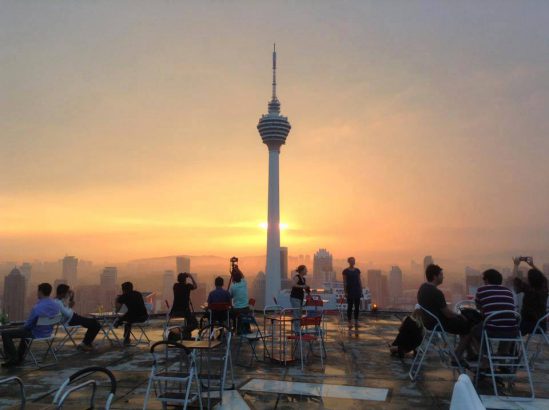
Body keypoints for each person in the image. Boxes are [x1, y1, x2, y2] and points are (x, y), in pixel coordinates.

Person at [417, 264, 472, 361]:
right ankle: (457, 357)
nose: (443, 277)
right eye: (441, 275)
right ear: (435, 276)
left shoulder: (423, 288)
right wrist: (459, 315)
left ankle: (471, 353)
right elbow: (447, 313)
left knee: (462, 325)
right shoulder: (436, 293)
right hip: (438, 324)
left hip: (428, 323)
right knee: (468, 328)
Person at [1, 283, 60, 367]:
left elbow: (28, 325)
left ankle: (13, 359)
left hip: (35, 334)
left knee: (5, 333)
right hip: (48, 333)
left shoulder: (37, 307)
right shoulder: (55, 305)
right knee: (24, 332)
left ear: (40, 292)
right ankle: (19, 357)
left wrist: (21, 327)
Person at [472, 269, 518, 357]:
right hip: (512, 331)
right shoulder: (508, 291)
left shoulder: (481, 290)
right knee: (506, 327)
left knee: (473, 331)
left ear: (487, 280)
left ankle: (486, 358)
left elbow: (480, 309)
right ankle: (502, 357)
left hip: (492, 329)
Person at [55, 284, 101, 351]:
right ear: (63, 293)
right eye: (67, 292)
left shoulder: (59, 300)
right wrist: (70, 307)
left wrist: (70, 302)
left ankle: (86, 343)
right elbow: (67, 314)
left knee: (94, 323)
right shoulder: (58, 302)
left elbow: (67, 309)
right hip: (71, 320)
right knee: (95, 324)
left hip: (73, 318)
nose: (67, 294)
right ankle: (85, 343)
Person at [513, 257, 549, 334]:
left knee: (511, 325)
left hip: (526, 326)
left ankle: (512, 346)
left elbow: (515, 280)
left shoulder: (528, 289)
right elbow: (543, 278)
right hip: (541, 326)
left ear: (529, 280)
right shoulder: (544, 289)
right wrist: (532, 265)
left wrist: (516, 265)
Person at [115, 282, 148, 346]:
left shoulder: (124, 296)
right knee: (127, 318)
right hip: (144, 317)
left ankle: (120, 327)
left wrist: (117, 299)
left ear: (123, 289)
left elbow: (117, 309)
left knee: (125, 318)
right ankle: (126, 336)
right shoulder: (138, 294)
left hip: (134, 318)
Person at [342, 257, 363, 328]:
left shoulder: (357, 270)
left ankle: (356, 321)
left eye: (354, 261)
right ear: (349, 262)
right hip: (350, 290)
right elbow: (344, 282)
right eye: (351, 261)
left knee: (357, 307)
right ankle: (349, 322)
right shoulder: (345, 271)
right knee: (350, 306)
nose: (353, 262)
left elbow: (359, 280)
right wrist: (345, 291)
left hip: (357, 290)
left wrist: (361, 289)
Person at [229, 266, 250, 333]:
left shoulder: (232, 286)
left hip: (237, 310)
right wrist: (238, 269)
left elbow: (230, 297)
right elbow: (242, 275)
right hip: (246, 309)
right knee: (242, 314)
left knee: (230, 313)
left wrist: (231, 306)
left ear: (233, 278)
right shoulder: (244, 282)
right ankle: (246, 328)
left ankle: (234, 327)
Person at [290, 265, 310, 333]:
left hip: (300, 298)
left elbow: (303, 287)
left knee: (299, 313)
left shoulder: (303, 279)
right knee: (296, 313)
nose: (306, 271)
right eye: (305, 269)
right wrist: (302, 286)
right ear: (302, 271)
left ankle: (297, 328)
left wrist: (306, 288)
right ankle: (296, 329)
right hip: (295, 297)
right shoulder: (297, 277)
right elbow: (293, 284)